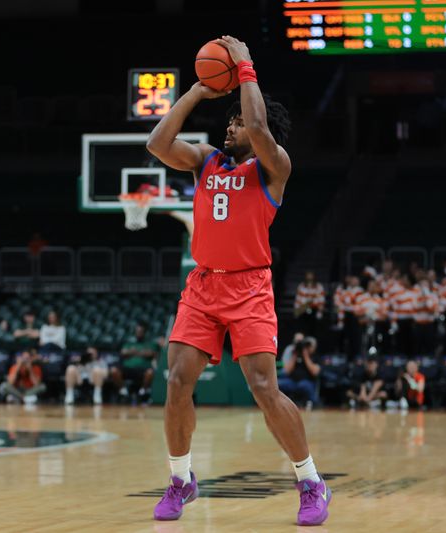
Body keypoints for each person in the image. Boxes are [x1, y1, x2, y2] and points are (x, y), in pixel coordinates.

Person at [145, 35, 329, 525]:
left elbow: (260, 129)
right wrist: (197, 92)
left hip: (250, 287)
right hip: (203, 285)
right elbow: (157, 143)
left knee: (264, 385)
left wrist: (245, 68)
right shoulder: (205, 160)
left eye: (237, 121)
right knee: (178, 380)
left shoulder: (273, 167)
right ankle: (181, 480)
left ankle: (310, 481)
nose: (231, 127)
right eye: (228, 120)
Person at [110, 323, 159, 402]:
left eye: (140, 331)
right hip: (127, 368)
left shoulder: (150, 343)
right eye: (137, 331)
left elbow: (151, 353)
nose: (138, 333)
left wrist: (133, 352)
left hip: (143, 368)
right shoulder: (129, 343)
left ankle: (142, 392)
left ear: (144, 332)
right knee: (113, 371)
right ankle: (124, 392)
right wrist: (141, 352)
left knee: (150, 373)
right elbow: (123, 352)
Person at [277, 337, 321, 408]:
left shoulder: (315, 357)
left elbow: (315, 372)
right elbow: (287, 371)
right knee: (278, 383)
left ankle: (309, 403)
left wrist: (305, 356)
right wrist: (294, 355)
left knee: (303, 385)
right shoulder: (294, 355)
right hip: (292, 381)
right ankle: (280, 404)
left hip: (307, 382)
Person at [294, 271, 325, 337]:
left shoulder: (319, 287)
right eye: (308, 276)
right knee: (302, 328)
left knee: (313, 329)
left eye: (311, 276)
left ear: (314, 277)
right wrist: (297, 310)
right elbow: (298, 299)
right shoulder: (301, 286)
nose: (309, 278)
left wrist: (320, 312)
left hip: (314, 309)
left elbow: (321, 299)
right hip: (303, 309)